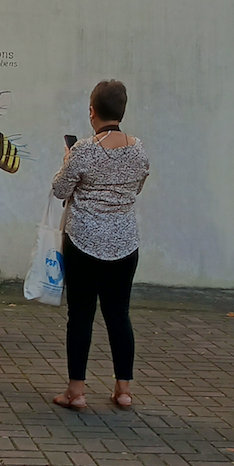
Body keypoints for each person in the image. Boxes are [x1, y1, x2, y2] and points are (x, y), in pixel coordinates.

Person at [49, 80, 149, 411]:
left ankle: (76, 391)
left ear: (92, 111)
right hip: (124, 242)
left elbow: (60, 190)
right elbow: (136, 188)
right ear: (122, 110)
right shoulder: (138, 150)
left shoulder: (84, 150)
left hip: (83, 242)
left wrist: (67, 160)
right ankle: (123, 390)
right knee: (119, 314)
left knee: (81, 316)